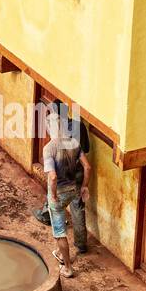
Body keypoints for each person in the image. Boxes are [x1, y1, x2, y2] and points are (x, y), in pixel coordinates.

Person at [43, 110, 90, 278]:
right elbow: (87, 167)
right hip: (74, 190)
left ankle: (68, 266)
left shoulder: (49, 149)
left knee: (59, 231)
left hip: (59, 194)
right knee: (72, 215)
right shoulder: (74, 143)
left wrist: (53, 196)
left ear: (50, 128)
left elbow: (53, 176)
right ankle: (62, 250)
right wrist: (84, 186)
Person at [34, 98, 91, 231]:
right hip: (79, 170)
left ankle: (46, 214)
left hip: (62, 171)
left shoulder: (57, 129)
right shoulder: (80, 126)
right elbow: (86, 149)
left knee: (54, 191)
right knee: (78, 207)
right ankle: (81, 244)